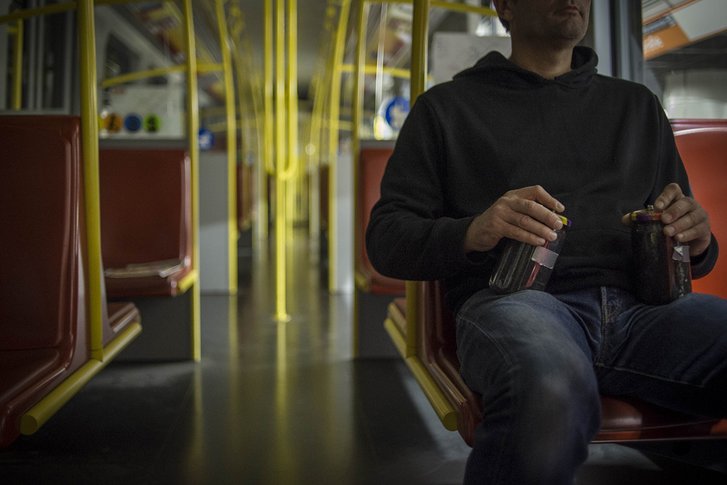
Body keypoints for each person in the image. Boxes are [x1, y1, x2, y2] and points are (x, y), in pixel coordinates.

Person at [365, 0, 727, 483]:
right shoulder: (447, 109)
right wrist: (476, 229)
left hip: (646, 312)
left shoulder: (637, 106)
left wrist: (696, 239)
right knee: (547, 385)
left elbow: (689, 253)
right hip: (518, 302)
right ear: (506, 7)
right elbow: (387, 239)